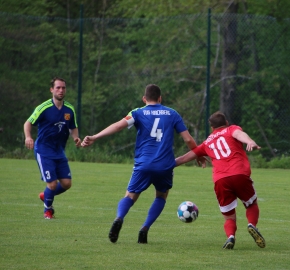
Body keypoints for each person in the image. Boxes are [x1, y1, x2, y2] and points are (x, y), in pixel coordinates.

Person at [81, 84, 205, 244]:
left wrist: (95, 137)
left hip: (143, 164)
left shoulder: (138, 112)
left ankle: (119, 218)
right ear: (160, 98)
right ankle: (145, 228)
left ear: (144, 99)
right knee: (161, 196)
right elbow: (188, 139)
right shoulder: (172, 113)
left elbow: (118, 126)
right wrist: (197, 153)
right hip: (165, 165)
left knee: (130, 196)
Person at [175, 111, 265, 250]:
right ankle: (251, 224)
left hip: (220, 180)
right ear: (227, 123)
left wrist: (165, 165)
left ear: (211, 128)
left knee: (229, 216)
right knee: (251, 204)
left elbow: (185, 157)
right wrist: (250, 141)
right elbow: (239, 134)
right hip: (239, 174)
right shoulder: (231, 129)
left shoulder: (207, 142)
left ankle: (230, 237)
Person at [24, 77, 81, 219]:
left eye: (63, 88)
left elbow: (73, 127)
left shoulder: (69, 109)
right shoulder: (43, 108)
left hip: (59, 151)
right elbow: (28, 123)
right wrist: (28, 137)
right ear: (52, 90)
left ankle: (46, 195)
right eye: (58, 88)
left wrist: (76, 138)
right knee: (53, 184)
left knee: (67, 184)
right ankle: (47, 211)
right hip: (44, 150)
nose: (61, 90)